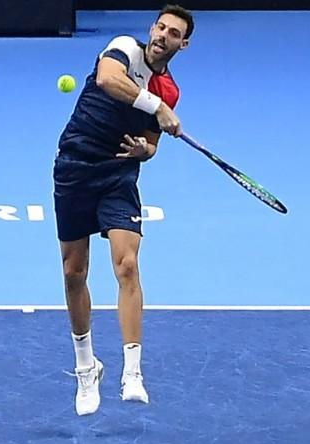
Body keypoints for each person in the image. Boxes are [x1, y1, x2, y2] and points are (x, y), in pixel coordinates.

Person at [53, 4, 194, 416]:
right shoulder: (122, 50)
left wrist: (144, 148)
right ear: (152, 29)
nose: (162, 35)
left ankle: (132, 372)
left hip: (117, 174)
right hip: (75, 165)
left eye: (173, 33)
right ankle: (85, 368)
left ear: (182, 45)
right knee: (73, 272)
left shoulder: (170, 90)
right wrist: (157, 108)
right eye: (160, 27)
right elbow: (108, 80)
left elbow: (150, 145)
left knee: (127, 266)